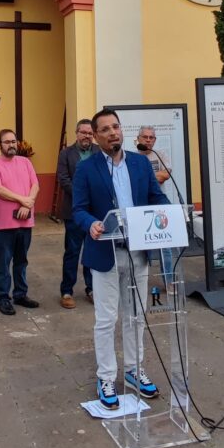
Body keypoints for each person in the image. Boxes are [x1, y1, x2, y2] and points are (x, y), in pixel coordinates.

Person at [73, 109, 169, 410]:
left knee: (136, 315)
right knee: (106, 319)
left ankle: (133, 369)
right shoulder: (86, 169)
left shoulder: (140, 163)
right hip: (106, 253)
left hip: (138, 251)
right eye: (105, 129)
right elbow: (78, 209)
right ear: (97, 136)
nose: (113, 132)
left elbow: (157, 197)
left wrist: (169, 214)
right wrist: (91, 223)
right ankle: (106, 377)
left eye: (116, 127)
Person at [0, 129, 40, 315]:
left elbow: (35, 185)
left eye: (13, 141)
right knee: (3, 263)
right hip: (3, 226)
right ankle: (3, 297)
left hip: (25, 222)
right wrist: (22, 200)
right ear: (0, 145)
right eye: (7, 142)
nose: (11, 145)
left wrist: (28, 203)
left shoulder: (25, 162)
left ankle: (20, 294)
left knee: (21, 261)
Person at [56, 119, 100, 308]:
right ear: (76, 133)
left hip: (95, 212)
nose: (87, 136)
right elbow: (63, 178)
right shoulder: (66, 154)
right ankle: (66, 291)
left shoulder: (99, 151)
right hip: (74, 211)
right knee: (72, 251)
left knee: (92, 251)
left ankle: (91, 289)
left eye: (90, 133)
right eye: (83, 133)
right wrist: (83, 195)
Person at [136, 126, 175, 293]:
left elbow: (165, 175)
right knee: (142, 245)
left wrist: (146, 177)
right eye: (145, 137)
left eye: (151, 137)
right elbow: (136, 180)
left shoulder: (161, 155)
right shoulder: (132, 158)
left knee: (165, 246)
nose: (148, 140)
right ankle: (139, 281)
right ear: (138, 139)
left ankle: (169, 281)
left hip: (159, 206)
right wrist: (154, 176)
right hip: (140, 206)